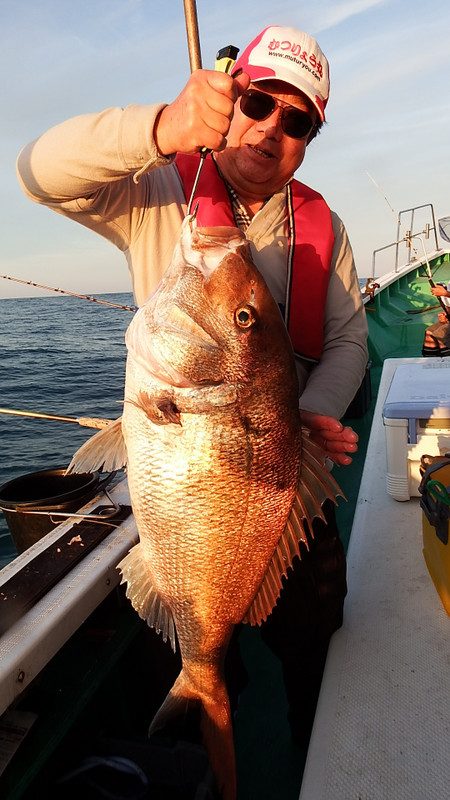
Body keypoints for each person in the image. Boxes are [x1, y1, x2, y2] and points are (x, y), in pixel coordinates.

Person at [17, 25, 368, 746]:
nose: (271, 129)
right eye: (259, 102)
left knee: (319, 641)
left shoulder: (323, 226)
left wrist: (313, 412)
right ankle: (204, 719)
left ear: (309, 139)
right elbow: (37, 171)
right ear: (233, 96)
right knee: (173, 651)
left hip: (286, 477)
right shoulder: (156, 190)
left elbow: (349, 340)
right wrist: (162, 126)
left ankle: (312, 748)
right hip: (195, 474)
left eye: (296, 121)